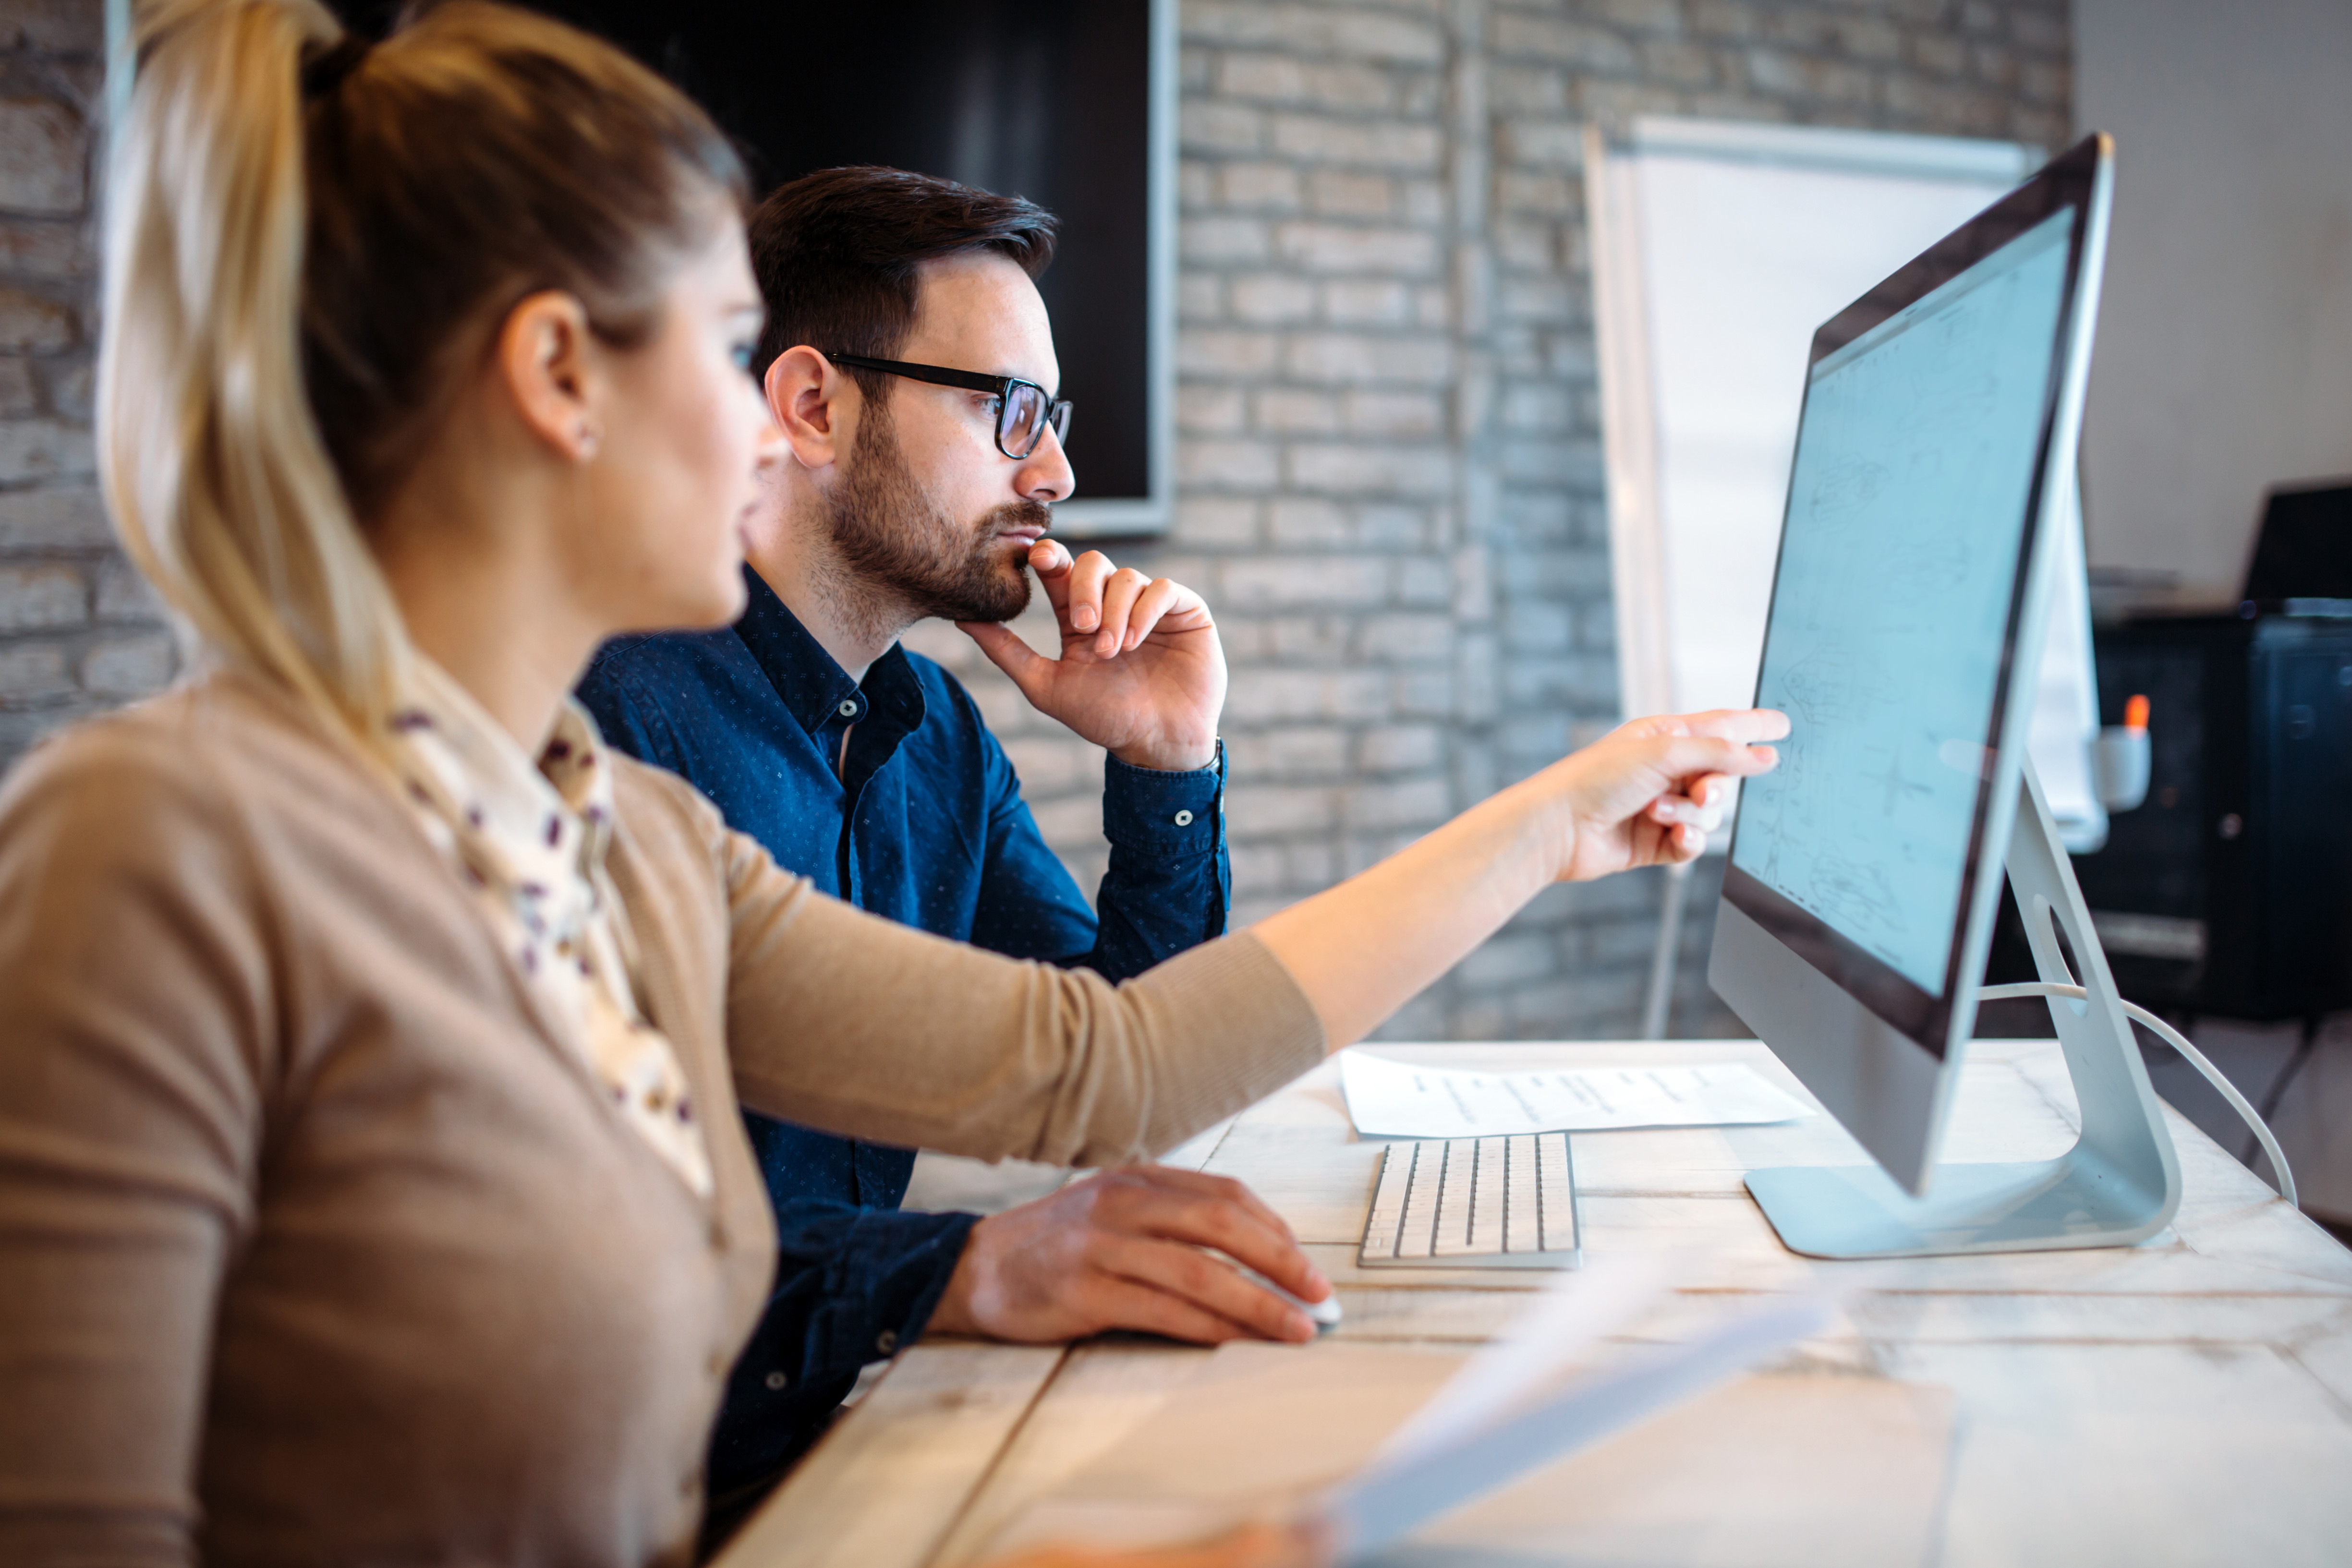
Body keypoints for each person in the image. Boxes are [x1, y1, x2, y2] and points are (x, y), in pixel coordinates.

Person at [0, 3, 1782, 1566]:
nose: (756, 419)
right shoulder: (158, 845)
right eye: (719, 349)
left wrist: (1525, 815)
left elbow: (1115, 1066)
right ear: (561, 377)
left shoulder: (603, 841)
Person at [574, 166, 1297, 1529]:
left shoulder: (933, 735)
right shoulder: (605, 723)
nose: (1059, 473)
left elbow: (1133, 1067)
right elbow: (594, 1246)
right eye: (1007, 410)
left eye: (1054, 418)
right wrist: (952, 1270)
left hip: (847, 1425)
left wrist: (1167, 760)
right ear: (810, 405)